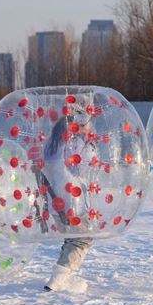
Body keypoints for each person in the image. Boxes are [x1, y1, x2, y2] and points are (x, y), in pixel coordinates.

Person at [36, 95, 98, 291]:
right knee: (81, 240)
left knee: (72, 239)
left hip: (55, 202)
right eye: (83, 125)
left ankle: (61, 277)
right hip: (73, 203)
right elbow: (80, 169)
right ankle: (56, 280)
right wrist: (90, 147)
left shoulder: (52, 144)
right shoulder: (74, 143)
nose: (87, 128)